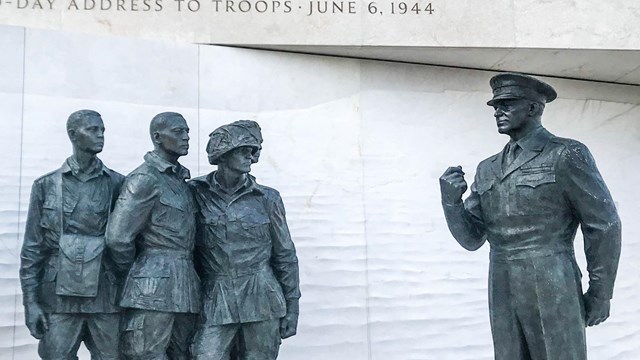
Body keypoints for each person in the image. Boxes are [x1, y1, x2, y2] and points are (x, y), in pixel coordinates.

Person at [439, 73, 622, 360]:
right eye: (495, 106)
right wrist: (451, 202)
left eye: (507, 104)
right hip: (501, 278)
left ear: (533, 108)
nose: (498, 111)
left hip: (551, 274)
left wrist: (601, 293)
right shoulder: (487, 168)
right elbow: (472, 239)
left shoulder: (565, 153)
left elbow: (604, 224)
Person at [189, 121, 300, 360]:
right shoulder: (196, 192)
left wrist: (293, 307)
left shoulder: (268, 198)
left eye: (253, 151)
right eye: (244, 150)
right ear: (224, 154)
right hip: (215, 296)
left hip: (263, 298)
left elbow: (285, 255)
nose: (251, 156)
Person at [20, 110, 124, 360]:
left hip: (105, 296)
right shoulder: (45, 185)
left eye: (102, 130)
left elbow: (128, 244)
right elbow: (33, 249)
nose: (100, 135)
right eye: (93, 130)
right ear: (73, 135)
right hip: (57, 297)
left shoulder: (119, 184)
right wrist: (30, 303)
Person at [106, 112, 200, 360]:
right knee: (146, 354)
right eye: (179, 132)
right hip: (151, 288)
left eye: (187, 132)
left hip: (185, 285)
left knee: (182, 353)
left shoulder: (180, 180)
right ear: (158, 137)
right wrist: (139, 272)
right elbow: (118, 237)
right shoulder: (145, 178)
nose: (187, 137)